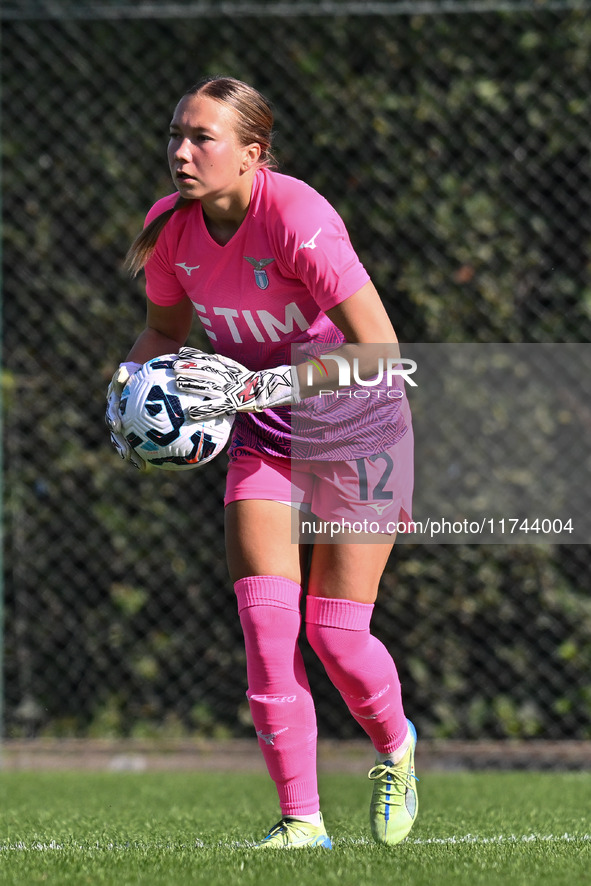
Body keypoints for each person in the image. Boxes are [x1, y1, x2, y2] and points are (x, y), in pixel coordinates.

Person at [106, 76, 418, 849]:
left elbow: (380, 351)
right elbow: (161, 336)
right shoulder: (169, 229)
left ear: (251, 153)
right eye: (175, 134)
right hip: (264, 436)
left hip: (358, 428)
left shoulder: (298, 217)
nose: (181, 152)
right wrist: (125, 392)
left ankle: (395, 748)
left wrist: (260, 384)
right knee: (265, 623)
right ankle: (301, 821)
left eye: (201, 138)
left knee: (336, 637)